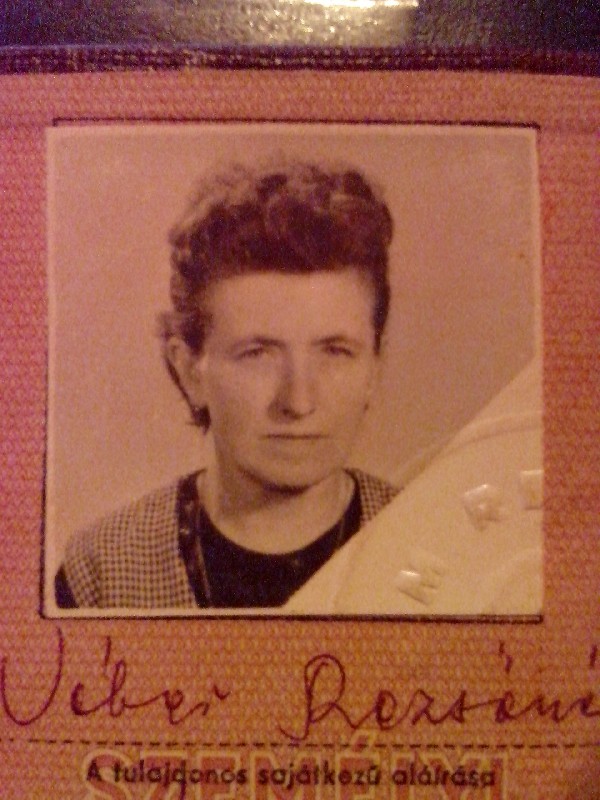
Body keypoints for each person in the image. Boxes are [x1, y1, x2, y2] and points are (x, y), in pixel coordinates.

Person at [54, 161, 399, 610]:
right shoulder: (102, 571)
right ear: (189, 371)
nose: (299, 401)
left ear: (374, 368)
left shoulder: (439, 541)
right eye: (257, 354)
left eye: (335, 351)